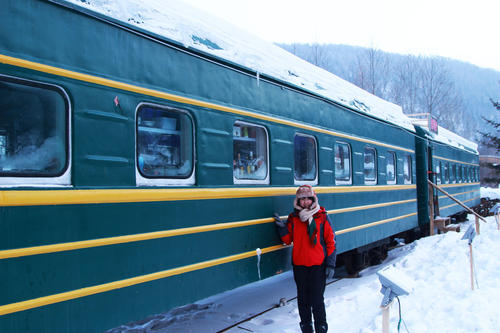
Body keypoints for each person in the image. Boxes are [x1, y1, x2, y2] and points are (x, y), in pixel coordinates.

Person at [275, 185, 336, 333]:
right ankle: (306, 328)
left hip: (318, 266)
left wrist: (330, 264)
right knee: (303, 301)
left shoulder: (322, 216)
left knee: (317, 301)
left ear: (314, 199)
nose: (306, 202)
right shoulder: (293, 218)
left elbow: (331, 241)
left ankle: (321, 328)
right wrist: (281, 227)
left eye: (309, 198)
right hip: (300, 266)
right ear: (298, 201)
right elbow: (288, 240)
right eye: (302, 199)